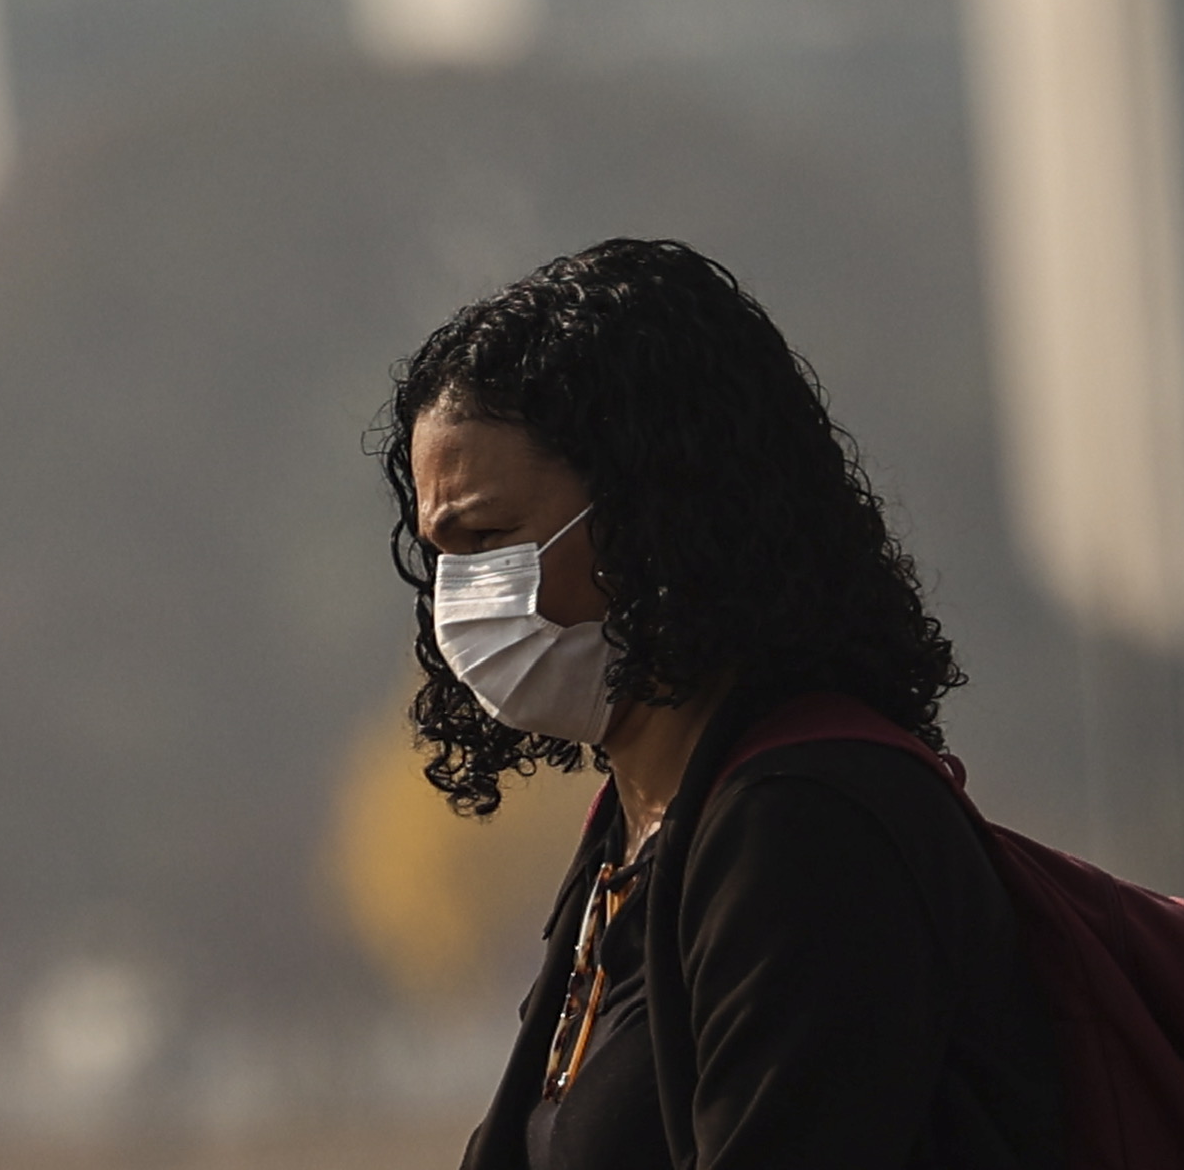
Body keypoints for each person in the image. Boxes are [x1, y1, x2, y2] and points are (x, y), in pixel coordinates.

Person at [377, 238, 1062, 1170]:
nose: (463, 592)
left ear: (659, 511)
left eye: (491, 537)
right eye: (443, 554)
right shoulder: (636, 834)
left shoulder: (811, 830)